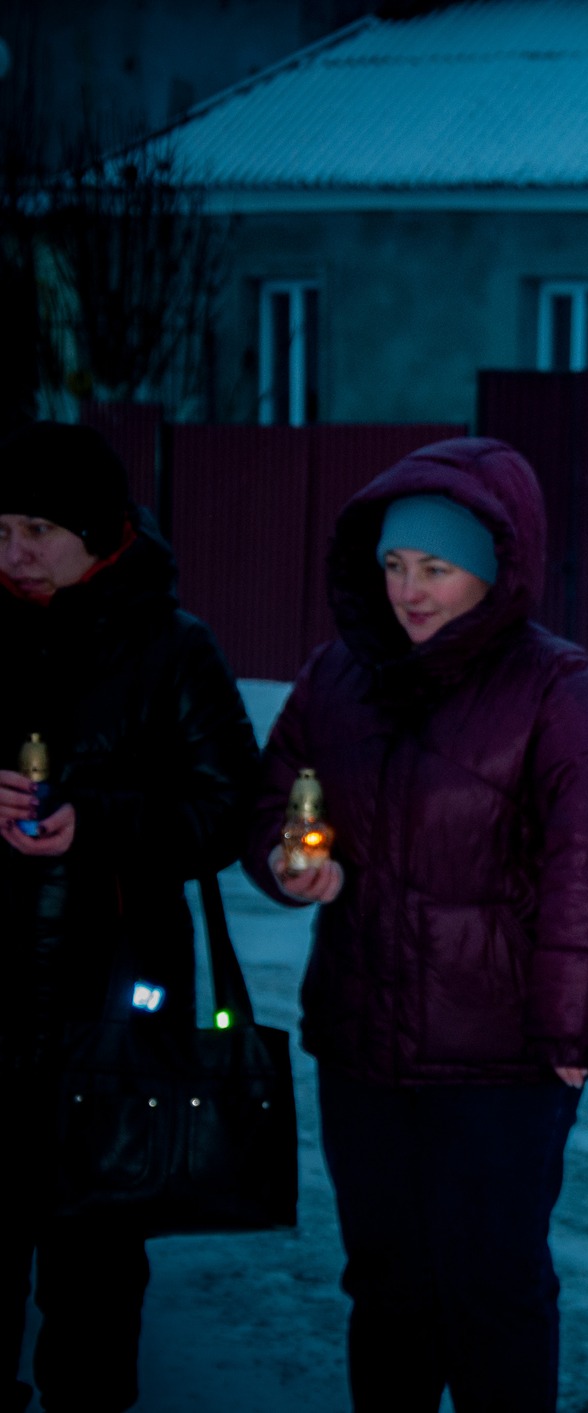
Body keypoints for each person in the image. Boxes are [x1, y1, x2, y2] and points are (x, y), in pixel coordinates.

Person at [243, 438, 588, 1413]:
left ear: (495, 568)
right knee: (386, 1289)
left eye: (436, 567)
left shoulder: (559, 688)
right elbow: (271, 799)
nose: (409, 591)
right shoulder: (338, 676)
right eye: (394, 564)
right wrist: (287, 862)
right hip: (363, 1049)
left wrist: (568, 1034)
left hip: (498, 1062)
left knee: (492, 1292)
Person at [1, 423, 259, 1413]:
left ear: (100, 532)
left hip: (113, 1013)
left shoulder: (171, 647)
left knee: (94, 1288)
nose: (13, 552)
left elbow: (228, 807)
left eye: (37, 529)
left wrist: (99, 820)